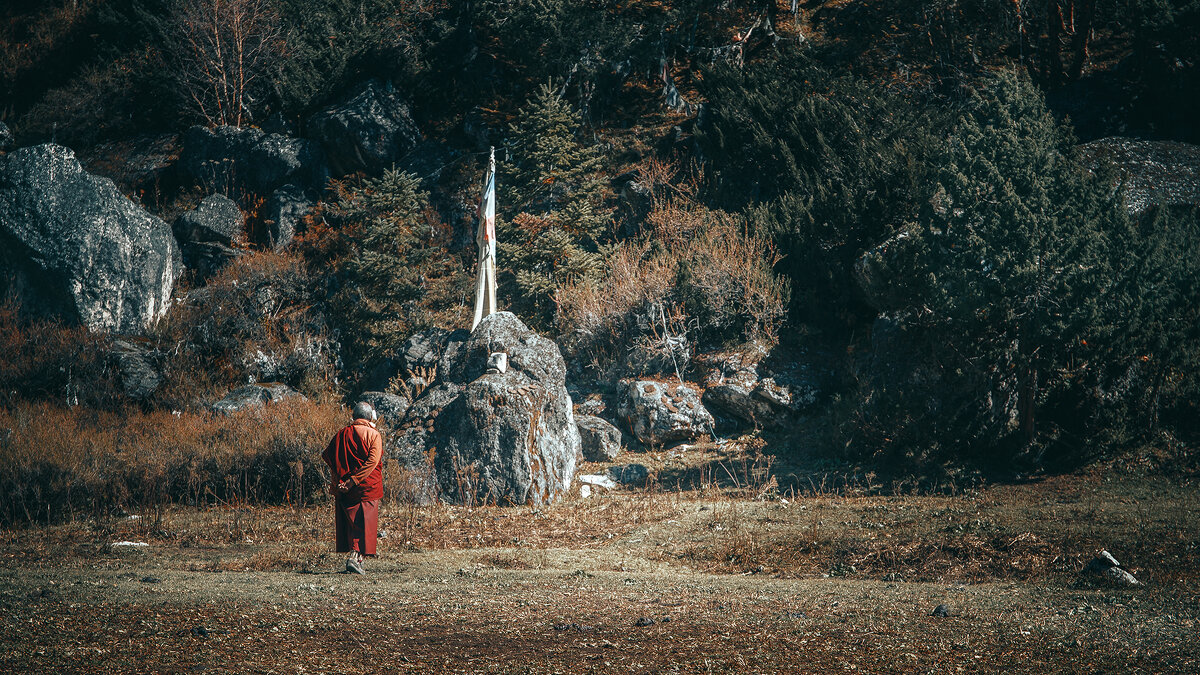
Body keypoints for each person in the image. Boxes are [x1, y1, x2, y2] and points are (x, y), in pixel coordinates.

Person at [321, 401, 383, 574]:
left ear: (353, 416)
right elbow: (373, 461)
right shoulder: (373, 434)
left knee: (352, 523)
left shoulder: (341, 434)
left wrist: (339, 482)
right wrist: (354, 480)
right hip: (366, 486)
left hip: (346, 488)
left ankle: (356, 559)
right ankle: (355, 558)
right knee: (364, 524)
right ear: (370, 416)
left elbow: (329, 458)